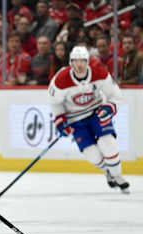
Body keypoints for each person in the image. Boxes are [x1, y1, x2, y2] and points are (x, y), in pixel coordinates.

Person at [48, 46, 130, 193]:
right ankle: (107, 172)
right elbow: (55, 102)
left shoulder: (99, 72)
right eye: (75, 61)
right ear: (70, 63)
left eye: (82, 61)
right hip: (75, 120)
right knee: (92, 153)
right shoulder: (61, 80)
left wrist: (109, 107)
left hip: (96, 113)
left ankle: (118, 176)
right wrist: (60, 120)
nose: (79, 65)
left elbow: (115, 95)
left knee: (108, 143)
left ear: (88, 62)